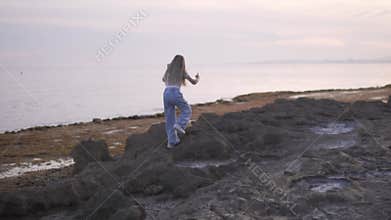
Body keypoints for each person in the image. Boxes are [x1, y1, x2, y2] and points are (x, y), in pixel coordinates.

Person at [162, 55, 200, 148]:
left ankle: (171, 142)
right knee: (187, 110)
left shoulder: (169, 70)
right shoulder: (182, 71)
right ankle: (180, 125)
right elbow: (194, 82)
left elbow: (163, 79)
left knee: (169, 118)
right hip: (174, 92)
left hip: (166, 93)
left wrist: (170, 77)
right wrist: (197, 78)